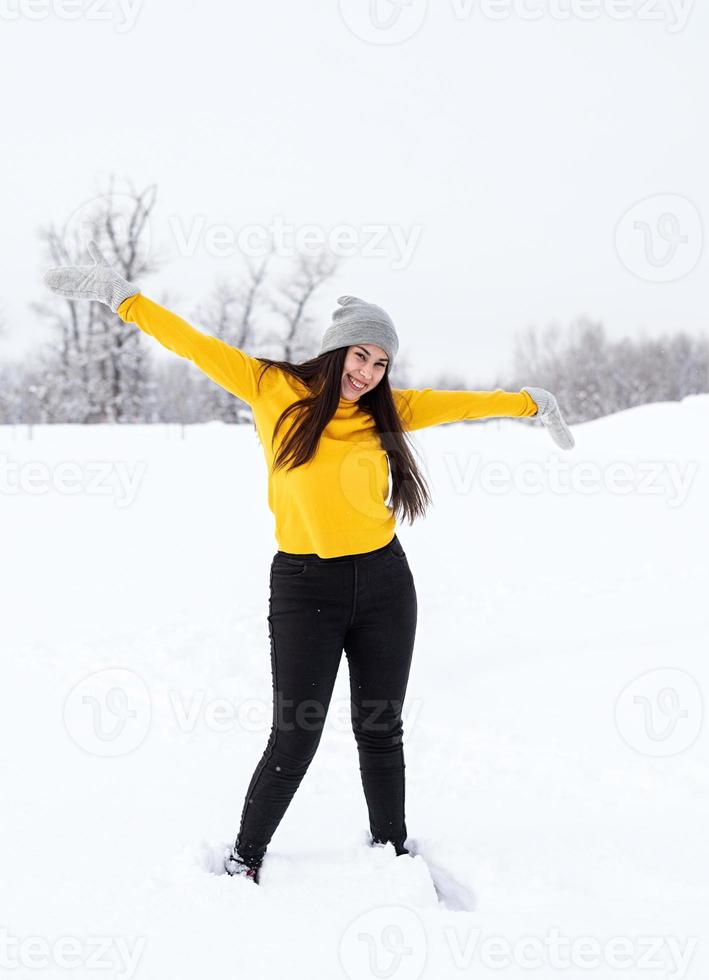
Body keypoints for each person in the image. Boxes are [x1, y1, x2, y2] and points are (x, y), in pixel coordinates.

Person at [43, 241, 575, 885]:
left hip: (384, 583)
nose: (370, 372)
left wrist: (531, 403)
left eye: (381, 362)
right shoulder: (273, 388)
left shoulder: (389, 411)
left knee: (380, 728)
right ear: (337, 349)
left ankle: (391, 854)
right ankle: (245, 857)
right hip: (304, 588)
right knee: (295, 735)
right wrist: (122, 297)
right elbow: (193, 342)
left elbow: (463, 402)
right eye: (361, 355)